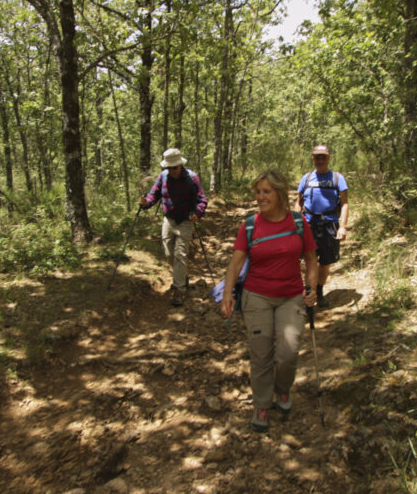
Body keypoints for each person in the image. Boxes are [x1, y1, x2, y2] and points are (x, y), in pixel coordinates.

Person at [220, 170, 318, 433]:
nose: (260, 197)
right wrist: (228, 293)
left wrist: (313, 287)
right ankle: (262, 403)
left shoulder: (299, 223)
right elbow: (236, 263)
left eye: (266, 192)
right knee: (261, 355)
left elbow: (311, 258)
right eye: (258, 192)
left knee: (288, 353)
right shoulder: (250, 225)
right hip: (257, 296)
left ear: (279, 194)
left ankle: (283, 390)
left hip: (291, 296)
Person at [139, 148, 208, 306]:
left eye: (174, 167)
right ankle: (182, 277)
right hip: (168, 221)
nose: (172, 170)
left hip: (185, 221)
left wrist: (197, 213)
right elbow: (153, 195)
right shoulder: (162, 177)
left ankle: (180, 290)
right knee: (169, 254)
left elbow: (202, 199)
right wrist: (145, 203)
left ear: (180, 165)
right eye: (169, 167)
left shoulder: (192, 178)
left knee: (180, 254)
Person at [293, 145, 349, 308]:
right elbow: (299, 202)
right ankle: (309, 292)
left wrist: (343, 227)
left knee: (325, 262)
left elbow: (344, 204)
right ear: (313, 158)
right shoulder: (307, 178)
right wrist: (297, 224)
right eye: (317, 157)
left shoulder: (338, 178)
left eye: (323, 157)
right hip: (309, 224)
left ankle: (320, 289)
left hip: (329, 225)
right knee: (309, 260)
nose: (320, 160)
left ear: (329, 157)